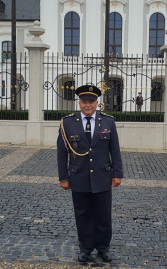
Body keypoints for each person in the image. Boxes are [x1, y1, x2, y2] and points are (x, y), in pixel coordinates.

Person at [57, 84, 123, 263]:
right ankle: (85, 247)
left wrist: (117, 174)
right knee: (83, 214)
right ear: (79, 102)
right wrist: (63, 177)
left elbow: (114, 150)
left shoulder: (108, 121)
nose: (88, 105)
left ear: (97, 103)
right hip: (79, 177)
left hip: (102, 176)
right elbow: (62, 153)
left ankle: (103, 247)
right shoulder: (67, 123)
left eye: (91, 102)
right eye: (84, 101)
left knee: (103, 215)